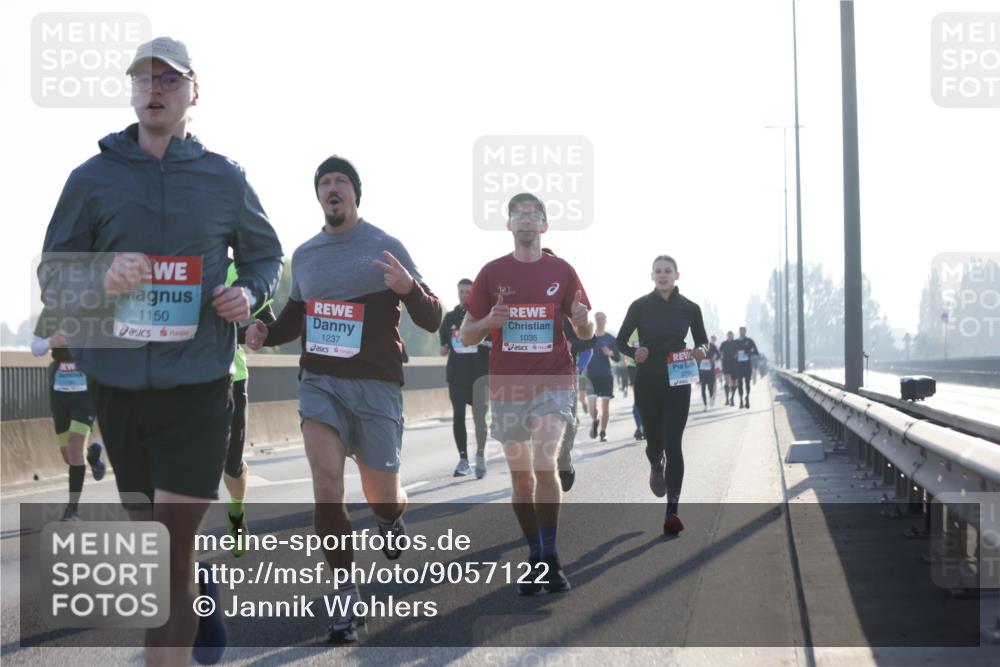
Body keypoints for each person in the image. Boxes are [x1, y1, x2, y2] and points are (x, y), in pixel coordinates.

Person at [38, 37, 283, 666]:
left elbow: (263, 255)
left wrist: (247, 294)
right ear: (132, 91)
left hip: (200, 385)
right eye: (144, 79)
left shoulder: (224, 178)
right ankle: (201, 588)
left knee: (167, 550)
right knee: (158, 552)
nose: (155, 89)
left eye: (169, 80)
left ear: (191, 93)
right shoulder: (91, 179)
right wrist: (101, 278)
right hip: (118, 387)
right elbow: (53, 276)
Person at [245, 155, 442, 642]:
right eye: (325, 183)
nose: (333, 189)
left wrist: (408, 287)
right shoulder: (307, 256)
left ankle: (390, 518)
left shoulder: (384, 245)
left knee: (383, 495)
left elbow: (434, 319)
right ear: (318, 196)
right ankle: (345, 596)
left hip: (376, 384)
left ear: (356, 193)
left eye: (341, 182)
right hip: (320, 382)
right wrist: (263, 333)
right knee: (326, 483)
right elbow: (294, 320)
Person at [461, 193, 593, 594]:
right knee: (521, 480)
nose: (524, 221)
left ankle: (551, 556)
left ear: (543, 226)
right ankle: (535, 555)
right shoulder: (490, 273)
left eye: (532, 215)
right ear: (509, 226)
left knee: (543, 461)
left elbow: (584, 332)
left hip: (554, 380)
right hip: (508, 386)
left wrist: (585, 322)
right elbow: (467, 334)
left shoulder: (563, 271)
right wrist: (488, 319)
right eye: (517, 215)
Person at [616, 255, 708, 535]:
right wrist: (635, 352)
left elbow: (702, 338)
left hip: (678, 380)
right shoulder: (640, 306)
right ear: (652, 275)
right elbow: (621, 340)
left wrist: (701, 350)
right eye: (659, 271)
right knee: (654, 441)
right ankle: (656, 463)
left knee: (674, 443)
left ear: (677, 275)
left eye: (668, 271)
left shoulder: (689, 308)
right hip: (648, 382)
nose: (663, 275)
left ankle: (672, 511)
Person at [31, 308, 106, 522]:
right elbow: (35, 348)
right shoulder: (50, 312)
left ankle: (72, 509)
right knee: (69, 456)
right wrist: (50, 342)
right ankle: (93, 453)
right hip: (59, 392)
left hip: (86, 392)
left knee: (74, 446)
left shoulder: (95, 309)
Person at [222, 261, 276, 557]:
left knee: (231, 463)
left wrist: (254, 333)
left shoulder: (236, 271)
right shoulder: (176, 267)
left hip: (233, 376)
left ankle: (236, 511)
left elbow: (266, 318)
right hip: (189, 378)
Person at [541, 248, 597, 493]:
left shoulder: (566, 303)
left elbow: (590, 339)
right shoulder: (519, 301)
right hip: (528, 375)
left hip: (564, 374)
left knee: (568, 421)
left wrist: (575, 337)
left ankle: (564, 459)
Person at [439, 278, 490, 479]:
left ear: (474, 293)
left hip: (479, 376)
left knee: (480, 419)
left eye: (468, 291)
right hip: (457, 376)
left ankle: (480, 455)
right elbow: (443, 347)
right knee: (458, 415)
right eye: (461, 291)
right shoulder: (450, 317)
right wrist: (444, 348)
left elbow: (495, 340)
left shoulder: (483, 316)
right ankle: (463, 459)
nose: (464, 295)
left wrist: (486, 343)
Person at [583, 312, 620, 442]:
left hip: (606, 376)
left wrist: (610, 353)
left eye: (601, 318)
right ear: (595, 320)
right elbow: (582, 354)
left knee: (605, 406)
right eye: (597, 318)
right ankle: (595, 420)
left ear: (605, 321)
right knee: (592, 406)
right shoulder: (589, 338)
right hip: (591, 376)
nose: (599, 320)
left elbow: (618, 357)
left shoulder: (610, 338)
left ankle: (603, 432)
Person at [732, 326, 760, 409]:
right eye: (740, 331)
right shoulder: (735, 342)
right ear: (739, 332)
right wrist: (735, 354)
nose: (742, 332)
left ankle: (747, 398)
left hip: (747, 364)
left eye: (743, 331)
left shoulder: (749, 341)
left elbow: (756, 352)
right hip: (738, 365)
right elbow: (732, 352)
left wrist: (748, 352)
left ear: (745, 332)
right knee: (740, 382)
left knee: (747, 383)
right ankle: (741, 401)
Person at [625, 330, 644, 440]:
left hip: (649, 364)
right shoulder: (631, 328)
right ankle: (640, 428)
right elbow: (624, 345)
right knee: (638, 399)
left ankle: (646, 426)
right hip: (633, 367)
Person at [698, 334, 721, 411]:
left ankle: (712, 397)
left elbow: (719, 355)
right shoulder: (699, 346)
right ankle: (705, 405)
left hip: (710, 369)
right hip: (702, 370)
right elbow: (695, 355)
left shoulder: (712, 346)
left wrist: (714, 359)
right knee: (703, 388)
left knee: (710, 387)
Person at [719, 330, 737, 406]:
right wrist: (721, 356)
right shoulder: (723, 343)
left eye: (731, 335)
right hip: (726, 363)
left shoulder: (736, 343)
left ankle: (732, 398)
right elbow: (719, 352)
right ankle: (727, 399)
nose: (730, 336)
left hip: (734, 364)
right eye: (729, 335)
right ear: (727, 335)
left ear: (733, 336)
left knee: (733, 382)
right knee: (726, 380)